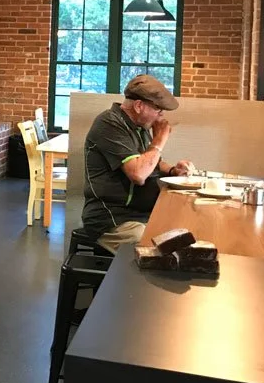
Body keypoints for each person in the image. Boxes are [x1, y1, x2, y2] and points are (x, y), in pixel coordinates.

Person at [82, 74, 194, 253]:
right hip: (112, 218)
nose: (161, 115)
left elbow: (148, 161)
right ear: (139, 106)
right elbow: (138, 174)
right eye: (158, 108)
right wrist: (160, 139)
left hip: (140, 213)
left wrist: (173, 170)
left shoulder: (139, 126)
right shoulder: (109, 123)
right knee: (156, 246)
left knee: (184, 230)